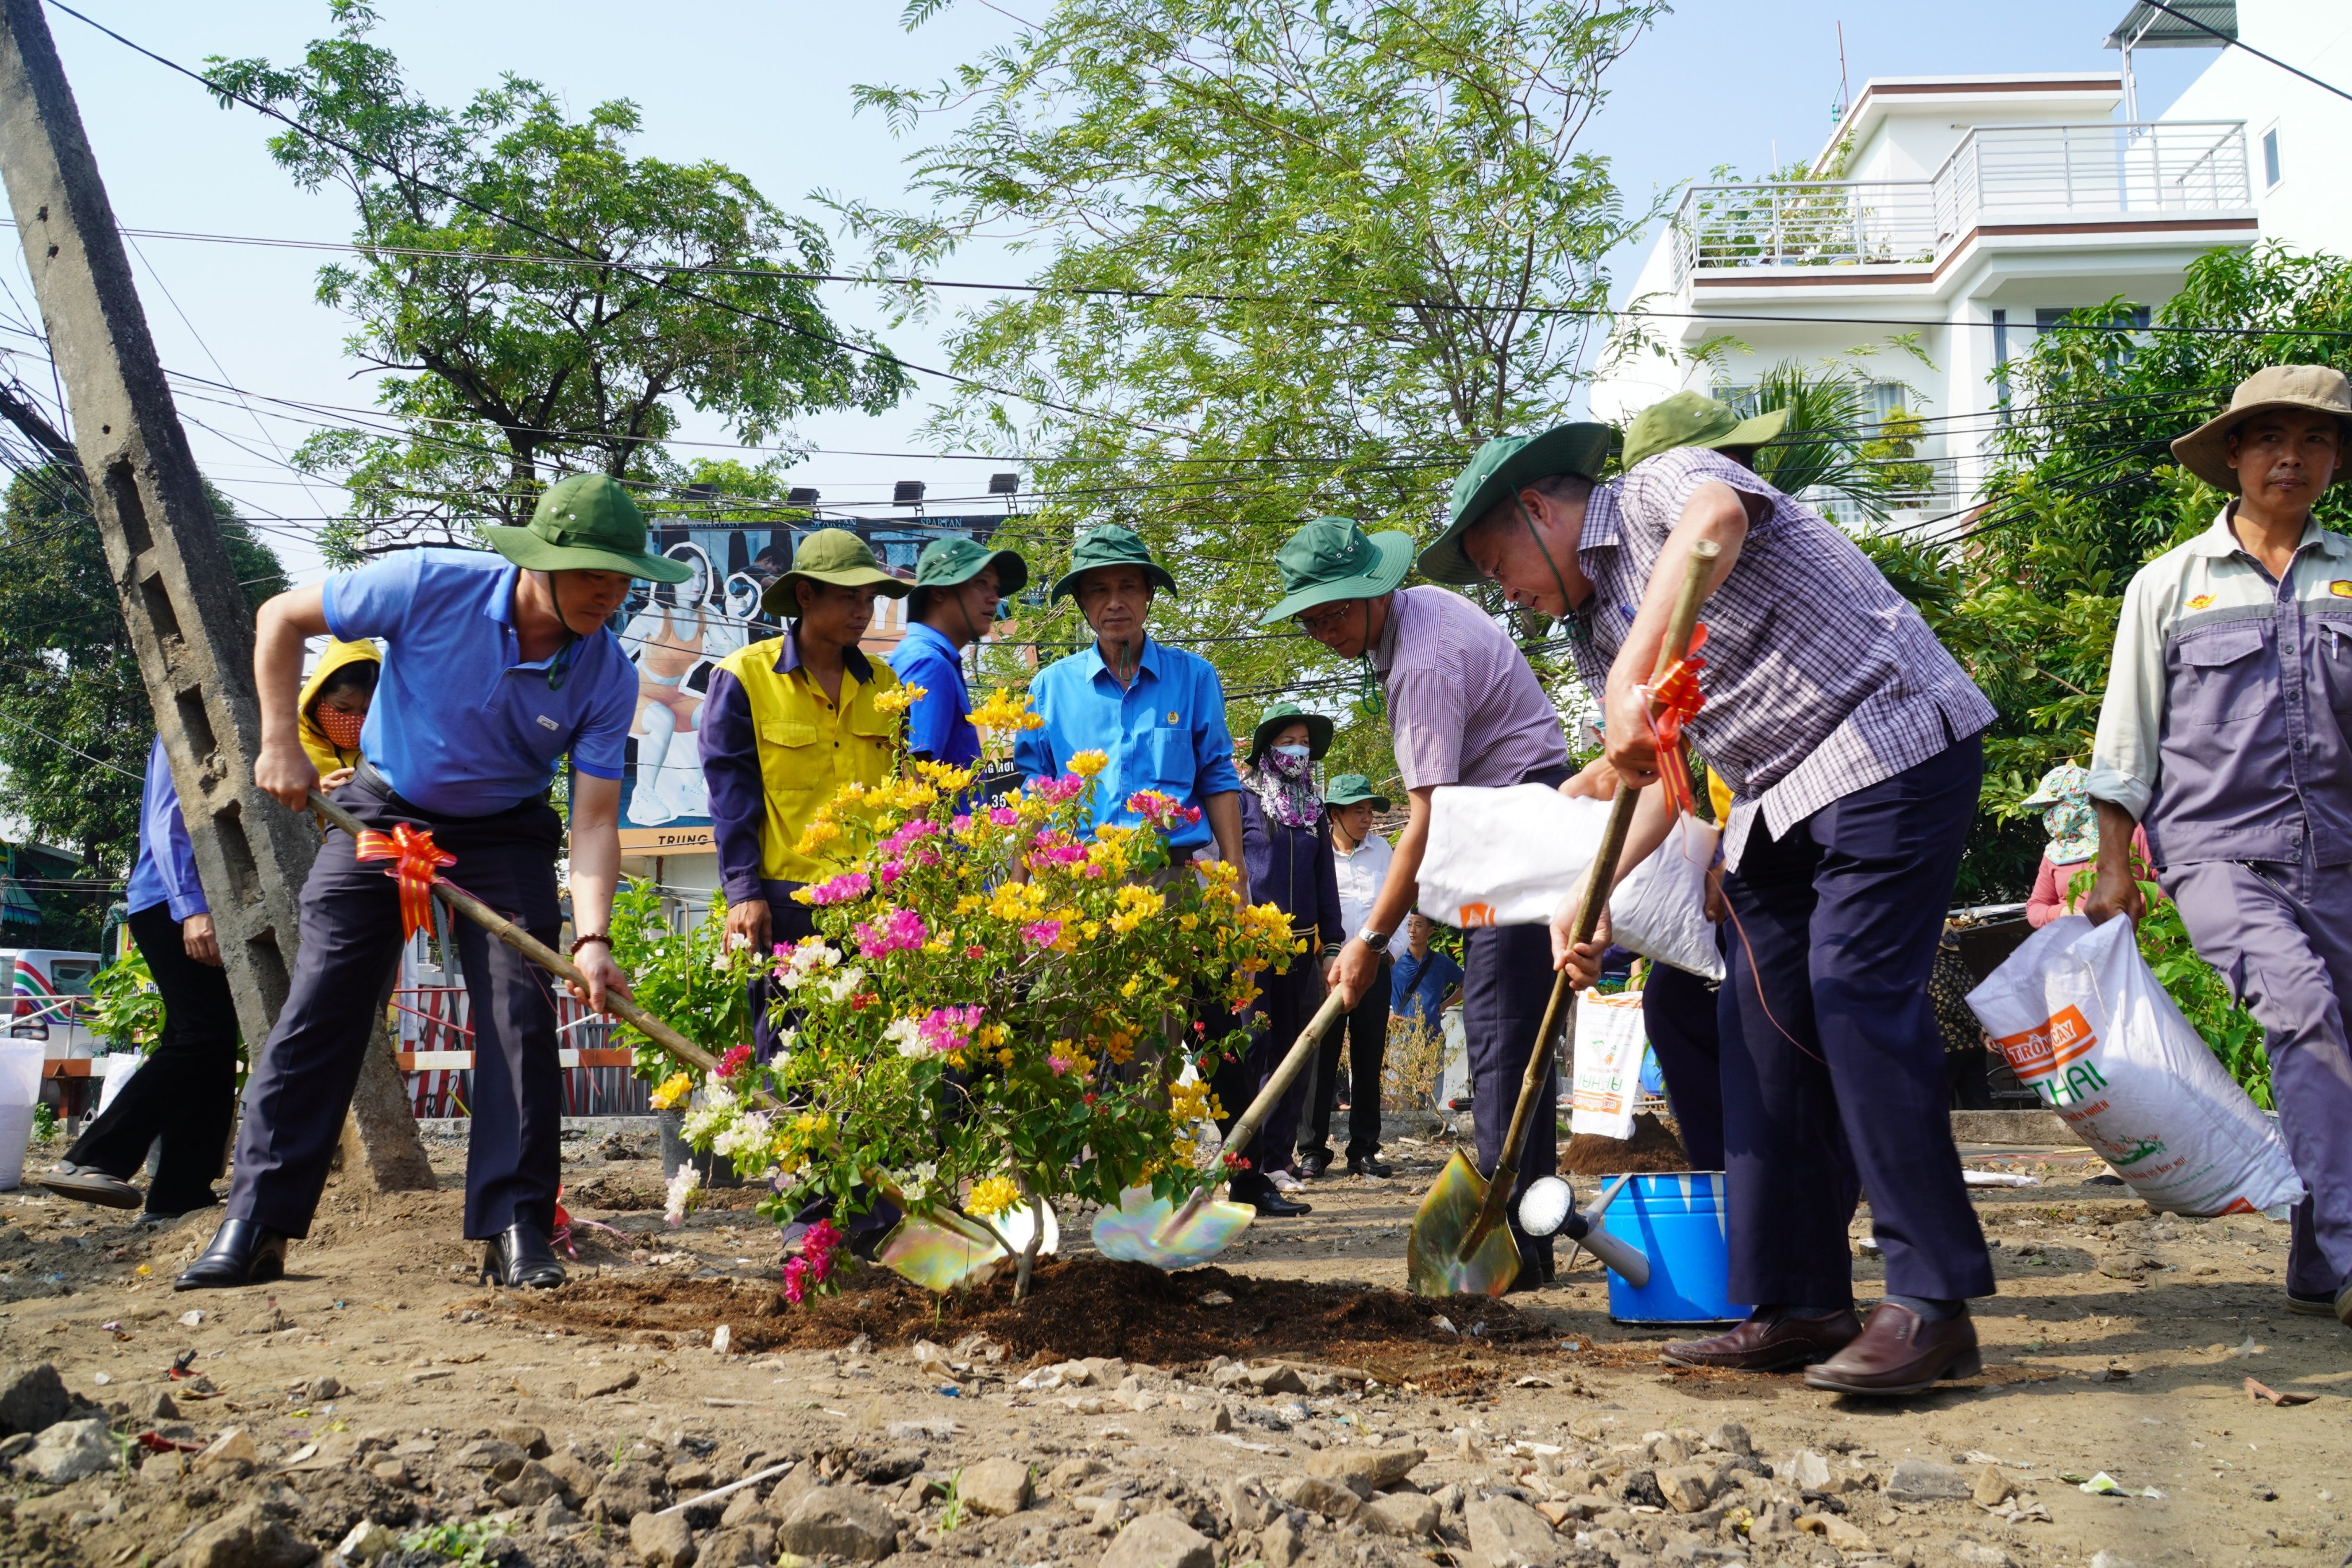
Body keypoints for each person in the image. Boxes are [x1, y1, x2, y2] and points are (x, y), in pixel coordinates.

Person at [1429, 416, 1998, 1389]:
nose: (1509, 597)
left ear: (1540, 509)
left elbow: (1715, 524)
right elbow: (1657, 774)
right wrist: (1588, 893)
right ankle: (1800, 1300)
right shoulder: (1594, 625)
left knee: (1854, 988)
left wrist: (1625, 677)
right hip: (1777, 798)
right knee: (1750, 1024)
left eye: (1500, 565)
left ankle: (1934, 1302)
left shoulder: (1657, 488)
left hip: (1889, 738)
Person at [179, 474, 679, 1292]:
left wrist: (593, 938)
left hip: (504, 834)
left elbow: (592, 821)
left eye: (624, 577)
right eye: (593, 571)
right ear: (539, 559)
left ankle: (515, 1226)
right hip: (381, 811)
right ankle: (256, 1222)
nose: (610, 592)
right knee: (323, 1001)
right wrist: (278, 740)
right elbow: (281, 618)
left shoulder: (604, 676)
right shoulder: (427, 583)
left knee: (520, 1013)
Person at [2085, 364, 2352, 1328]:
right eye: (2271, 437)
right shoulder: (2170, 587)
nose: (2293, 457)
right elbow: (2126, 739)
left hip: (2343, 859)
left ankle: (2320, 1267)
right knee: (2301, 1008)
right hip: (2219, 855)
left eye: (2316, 439)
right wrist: (2115, 864)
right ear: (2234, 454)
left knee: (2340, 1046)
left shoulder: (2351, 573)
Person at [1266, 513, 1573, 1289]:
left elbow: (1427, 818)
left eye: (1334, 610)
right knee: (1516, 1043)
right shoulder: (1420, 614)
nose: (1322, 629)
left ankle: (1502, 1243)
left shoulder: (1419, 665)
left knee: (1502, 1036)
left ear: (1376, 588)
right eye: (1308, 618)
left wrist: (1368, 941)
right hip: (1506, 819)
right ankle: (1527, 1239)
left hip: (1511, 819)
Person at [701, 530, 909, 1064]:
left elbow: (903, 794)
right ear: (805, 596)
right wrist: (742, 893)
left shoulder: (886, 683)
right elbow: (732, 798)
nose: (862, 611)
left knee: (875, 1070)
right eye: (848, 596)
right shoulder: (743, 676)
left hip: (874, 909)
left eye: (869, 598)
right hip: (787, 908)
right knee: (792, 1069)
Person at [37, 737, 239, 1219]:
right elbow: (168, 823)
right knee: (202, 1035)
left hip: (197, 902)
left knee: (211, 1043)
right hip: (176, 903)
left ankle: (180, 1194)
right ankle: (92, 1158)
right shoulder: (190, 720)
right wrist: (192, 907)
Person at [1013, 524, 1242, 863]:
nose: (1115, 603)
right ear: (1081, 601)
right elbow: (1036, 788)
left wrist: (1237, 876)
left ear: (1149, 592)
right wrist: (1017, 890)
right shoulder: (1050, 688)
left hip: (1172, 877)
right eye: (1099, 590)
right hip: (1079, 879)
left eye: (1129, 587)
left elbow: (1217, 775)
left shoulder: (1194, 678)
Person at [1229, 703, 1341, 1215]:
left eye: (1303, 742)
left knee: (1295, 1053)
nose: (1298, 750)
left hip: (1302, 948)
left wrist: (1333, 946)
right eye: (1287, 741)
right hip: (1254, 948)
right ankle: (1246, 1165)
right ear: (1267, 750)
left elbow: (1326, 887)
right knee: (1254, 1051)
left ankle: (1279, 1158)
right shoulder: (1242, 804)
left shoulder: (1314, 812)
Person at [1301, 772, 1395, 1179]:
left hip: (1375, 966)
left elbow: (1401, 899)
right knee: (1319, 1060)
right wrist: (1324, 960)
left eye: (1369, 810)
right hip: (1327, 971)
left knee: (1368, 1057)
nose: (1367, 818)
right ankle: (1311, 1149)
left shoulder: (1383, 850)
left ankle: (1363, 1148)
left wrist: (1385, 953)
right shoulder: (1317, 852)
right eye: (1358, 810)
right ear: (1335, 814)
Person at [890, 536, 1029, 776]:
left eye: (995, 588)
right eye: (981, 583)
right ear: (940, 591)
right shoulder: (929, 664)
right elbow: (916, 777)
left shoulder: (930, 657)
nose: (994, 598)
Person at [2019, 762, 2148, 928]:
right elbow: (2036, 906)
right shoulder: (2056, 852)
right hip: (2080, 949)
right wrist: (2061, 913)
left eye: (2052, 806)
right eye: (2045, 809)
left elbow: (2166, 887)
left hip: (2143, 947)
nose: (2049, 815)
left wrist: (2127, 907)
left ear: (2079, 800)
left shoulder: (2130, 833)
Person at [296, 638, 381, 787]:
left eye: (366, 711)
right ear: (317, 695)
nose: (353, 722)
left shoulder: (390, 746)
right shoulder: (287, 744)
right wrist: (315, 799)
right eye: (342, 709)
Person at [1388, 912, 1463, 1030]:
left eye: (1418, 925)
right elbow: (1371, 989)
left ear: (1430, 931)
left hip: (1432, 1040)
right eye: (1409, 925)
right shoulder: (1394, 960)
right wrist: (1387, 1017)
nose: (1412, 930)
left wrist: (1444, 1005)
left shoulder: (1442, 963)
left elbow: (1468, 985)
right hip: (1400, 1040)